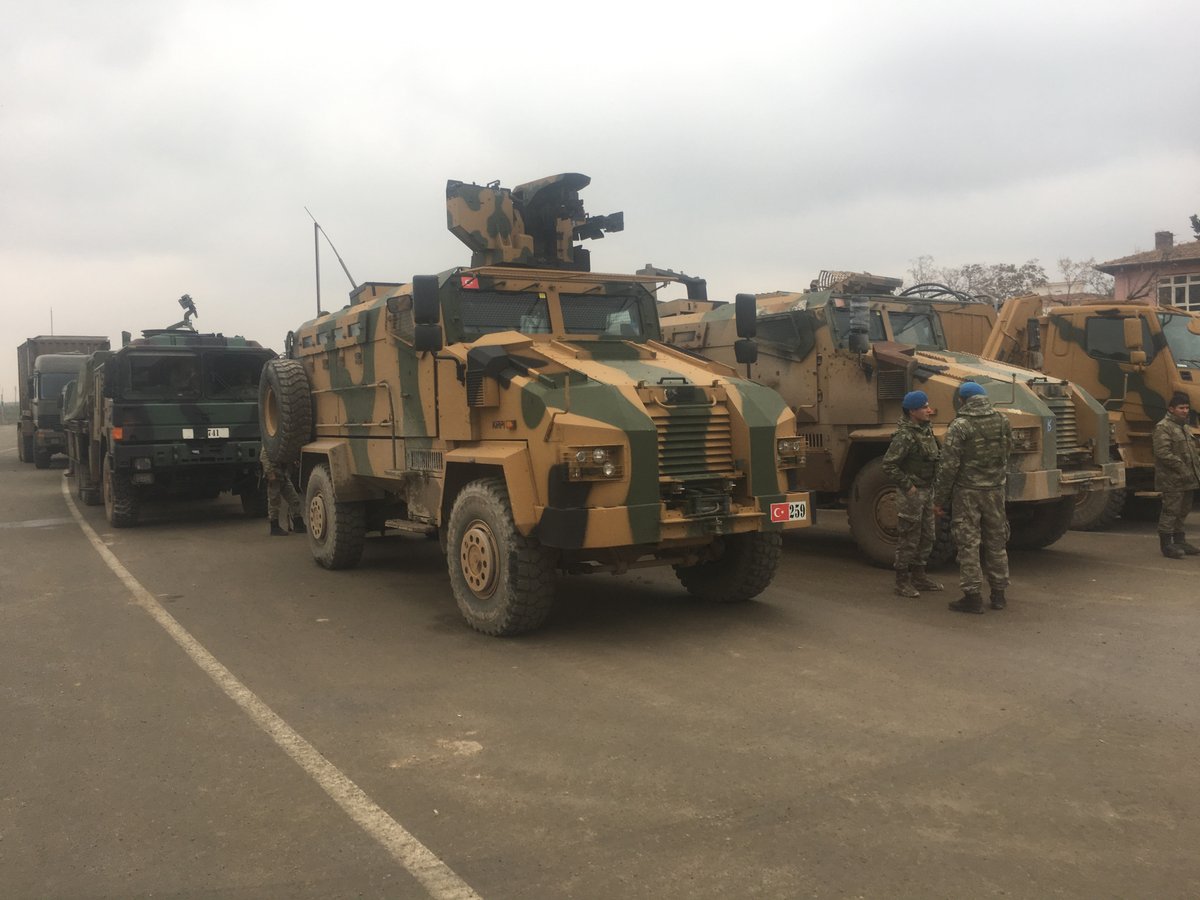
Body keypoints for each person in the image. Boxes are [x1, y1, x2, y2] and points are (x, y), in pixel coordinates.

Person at [933, 381, 1013, 614]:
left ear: (962, 400)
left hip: (967, 493)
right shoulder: (1002, 420)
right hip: (996, 491)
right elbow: (1008, 450)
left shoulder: (960, 425)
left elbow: (949, 466)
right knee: (996, 542)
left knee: (968, 543)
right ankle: (999, 595)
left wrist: (939, 500)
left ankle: (973, 596)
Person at [881, 390, 943, 598]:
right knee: (909, 538)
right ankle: (901, 581)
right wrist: (909, 487)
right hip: (912, 495)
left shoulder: (926, 431)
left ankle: (919, 575)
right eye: (924, 407)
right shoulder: (905, 435)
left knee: (928, 536)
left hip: (927, 491)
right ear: (912, 411)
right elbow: (889, 465)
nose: (929, 410)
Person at [1152, 392, 1200, 559]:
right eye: (1181, 408)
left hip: (1188, 478)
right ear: (1171, 409)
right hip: (1172, 479)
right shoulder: (1163, 427)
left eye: (1187, 408)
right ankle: (1166, 545)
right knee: (1171, 511)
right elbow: (1163, 453)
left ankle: (1180, 541)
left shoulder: (1184, 427)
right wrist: (1182, 468)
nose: (1185, 411)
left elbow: (1192, 452)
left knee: (1183, 510)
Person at [260, 445, 304, 537]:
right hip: (275, 476)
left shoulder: (281, 441)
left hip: (283, 475)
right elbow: (264, 457)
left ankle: (298, 523)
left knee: (294, 499)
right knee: (274, 502)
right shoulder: (270, 442)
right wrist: (270, 472)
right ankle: (274, 526)